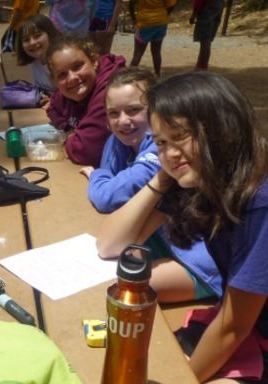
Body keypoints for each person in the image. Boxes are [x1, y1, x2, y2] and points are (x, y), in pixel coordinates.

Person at [96, 71, 268, 384]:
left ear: (221, 127)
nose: (169, 152)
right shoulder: (203, 180)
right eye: (161, 142)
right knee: (130, 379)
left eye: (180, 136)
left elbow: (233, 325)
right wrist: (165, 177)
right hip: (252, 337)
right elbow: (111, 243)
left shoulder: (263, 200)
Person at [81, 67, 221, 302]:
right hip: (163, 240)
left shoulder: (174, 165)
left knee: (121, 289)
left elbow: (106, 195)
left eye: (134, 110)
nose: (123, 121)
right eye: (113, 113)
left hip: (200, 264)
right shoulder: (125, 145)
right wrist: (161, 179)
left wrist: (98, 177)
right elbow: (108, 244)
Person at [46, 35, 126, 167]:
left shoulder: (112, 91)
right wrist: (66, 128)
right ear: (55, 82)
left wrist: (68, 138)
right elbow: (52, 107)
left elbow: (87, 152)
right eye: (62, 74)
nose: (72, 78)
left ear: (94, 61)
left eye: (77, 66)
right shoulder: (66, 91)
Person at [15, 14, 61, 99]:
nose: (32, 42)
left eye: (37, 36)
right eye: (26, 40)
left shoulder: (59, 61)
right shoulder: (35, 61)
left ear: (50, 34)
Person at [128, 0, 176, 77]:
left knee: (137, 54)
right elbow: (172, 4)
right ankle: (157, 75)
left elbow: (131, 4)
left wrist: (134, 20)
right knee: (156, 52)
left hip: (144, 23)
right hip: (161, 22)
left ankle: (128, 77)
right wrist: (165, 14)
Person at [190, 0, 224, 70]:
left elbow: (198, 2)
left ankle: (202, 66)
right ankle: (200, 65)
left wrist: (194, 14)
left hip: (207, 7)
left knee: (205, 39)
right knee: (207, 39)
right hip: (219, 5)